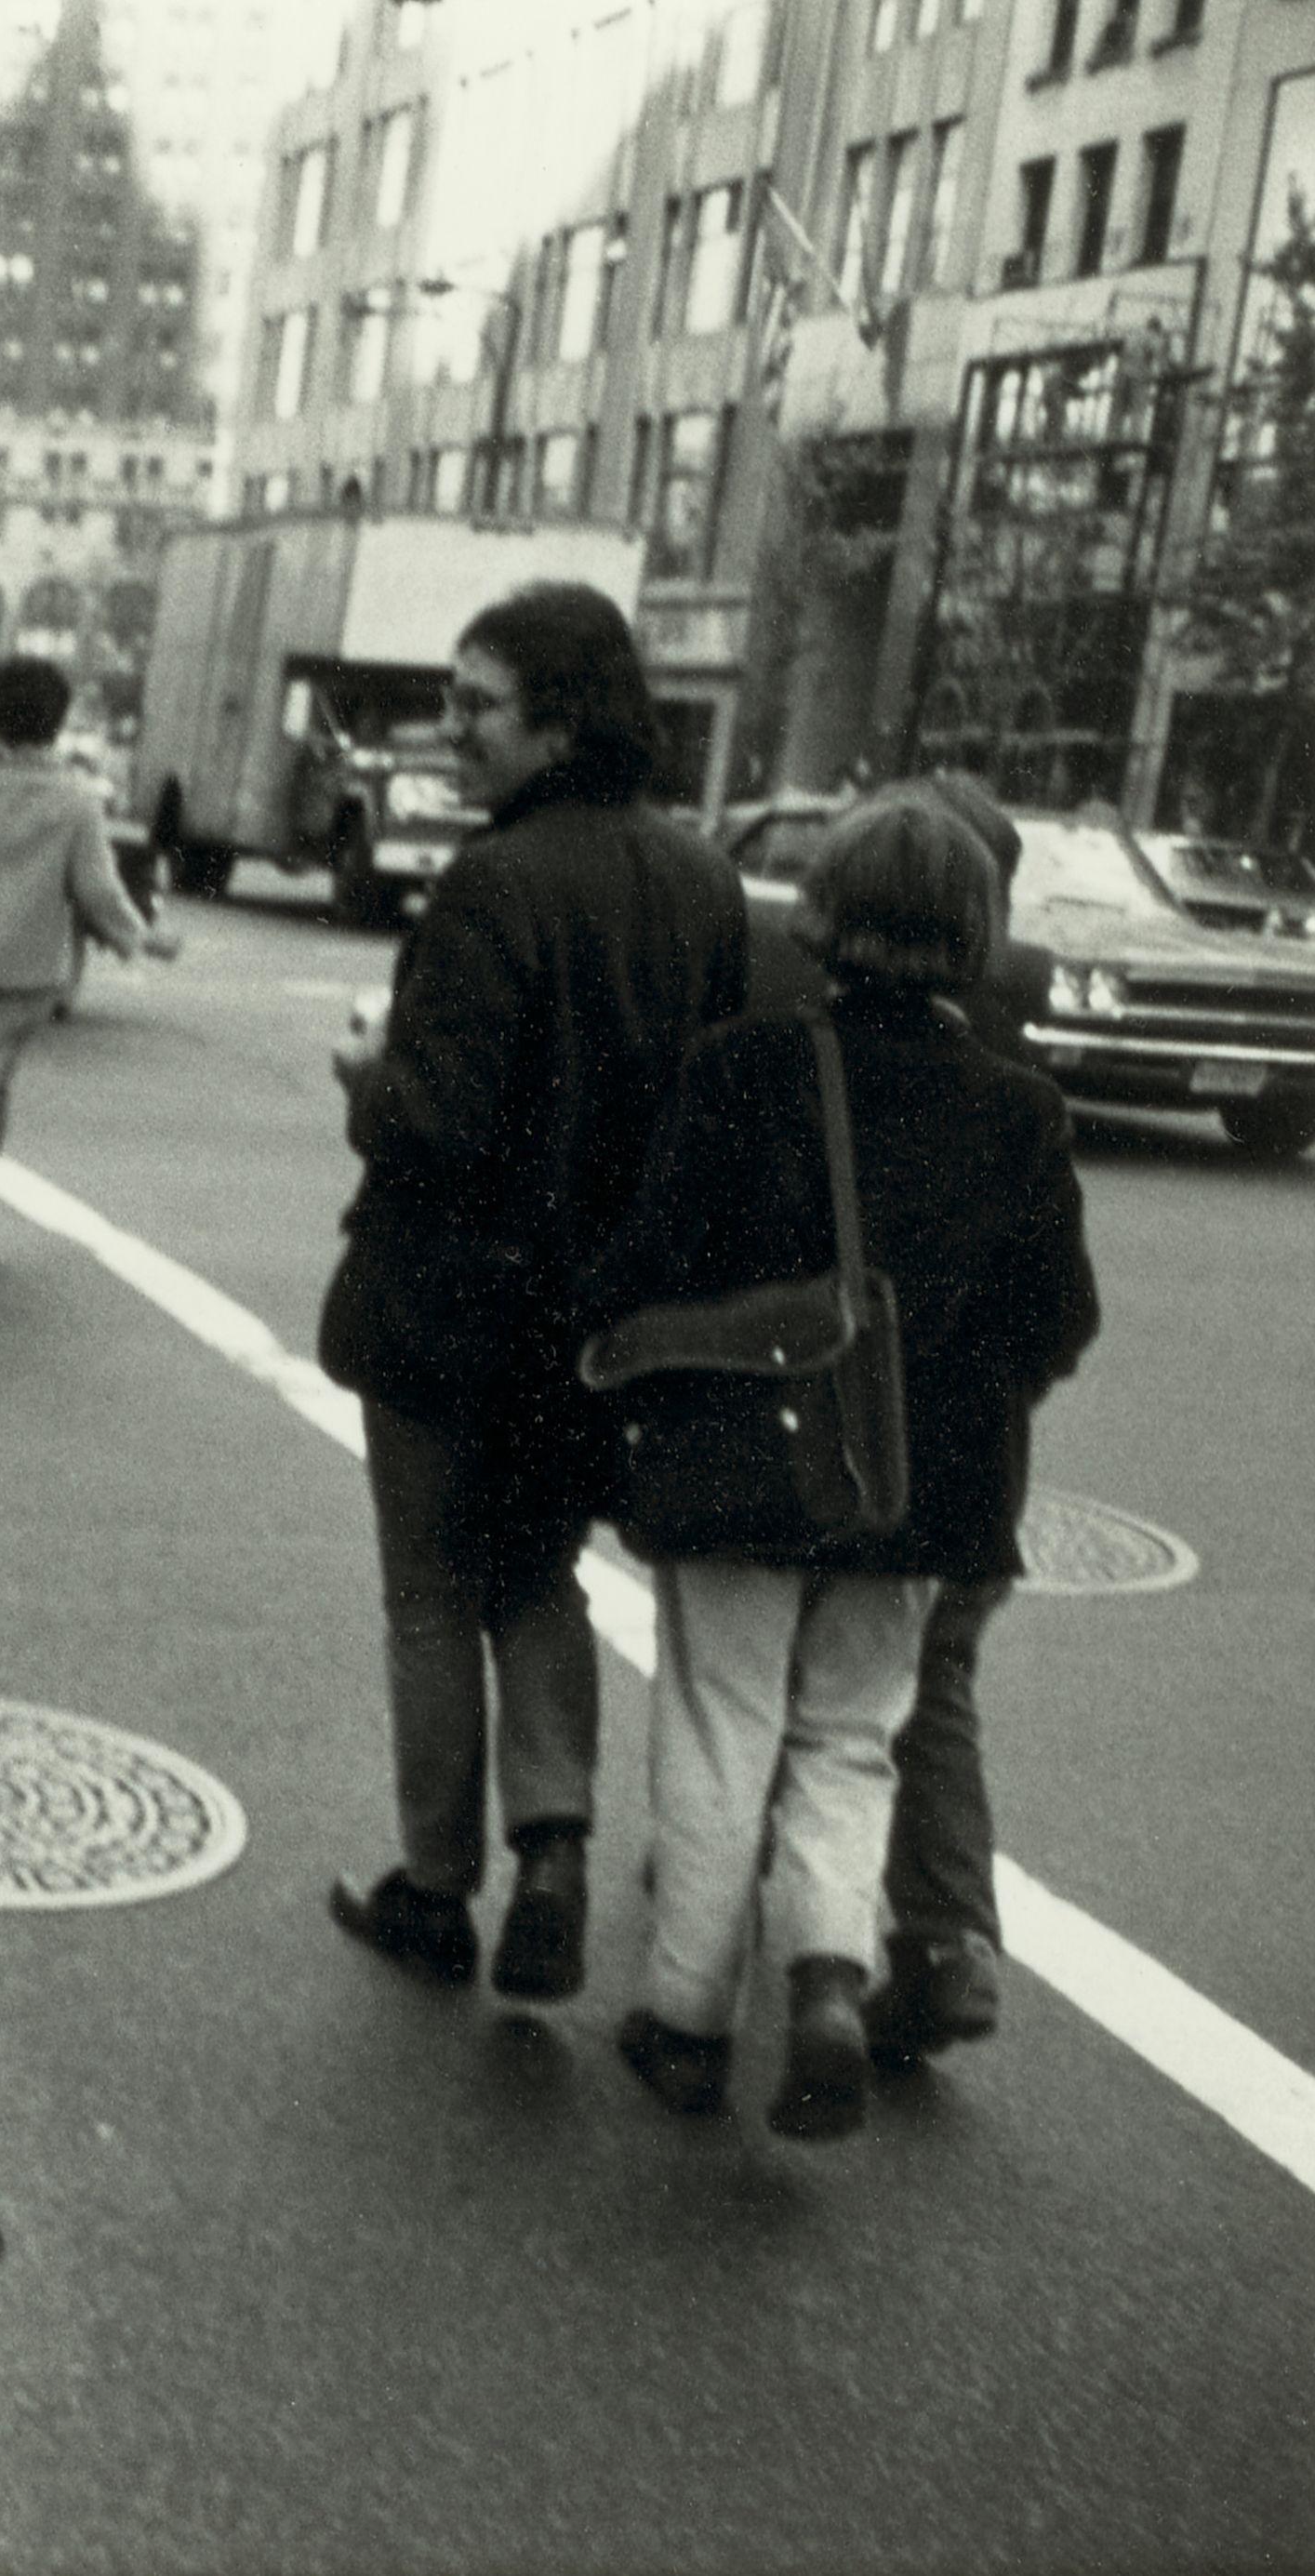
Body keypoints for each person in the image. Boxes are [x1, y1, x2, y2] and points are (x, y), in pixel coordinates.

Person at [576, 798, 1099, 2139]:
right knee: (852, 1739)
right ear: (975, 931)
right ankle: (824, 1974)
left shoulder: (742, 1066)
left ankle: (688, 2018)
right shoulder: (1020, 1109)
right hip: (915, 1492)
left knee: (720, 1724)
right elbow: (1057, 1323)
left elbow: (650, 1262)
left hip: (741, 1468)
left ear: (825, 907)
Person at [318, 581, 749, 2003]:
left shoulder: (493, 882)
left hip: (449, 1307)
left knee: (431, 1591)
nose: (452, 730)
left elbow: (435, 1121)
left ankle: (436, 1885)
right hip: (603, 1319)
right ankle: (555, 1846)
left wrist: (366, 1075)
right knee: (538, 1572)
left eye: (476, 705)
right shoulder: (703, 881)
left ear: (561, 723)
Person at [737, 770, 1051, 2065]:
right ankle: (944, 1935)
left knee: (785, 1670)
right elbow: (1049, 1305)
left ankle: (768, 1891)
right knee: (928, 1683)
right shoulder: (1012, 1005)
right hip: (971, 1442)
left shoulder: (806, 1003)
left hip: (826, 1409)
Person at [0, 655, 184, 1280]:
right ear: (58, 719)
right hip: (29, 970)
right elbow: (97, 890)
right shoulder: (74, 799)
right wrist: (142, 939)